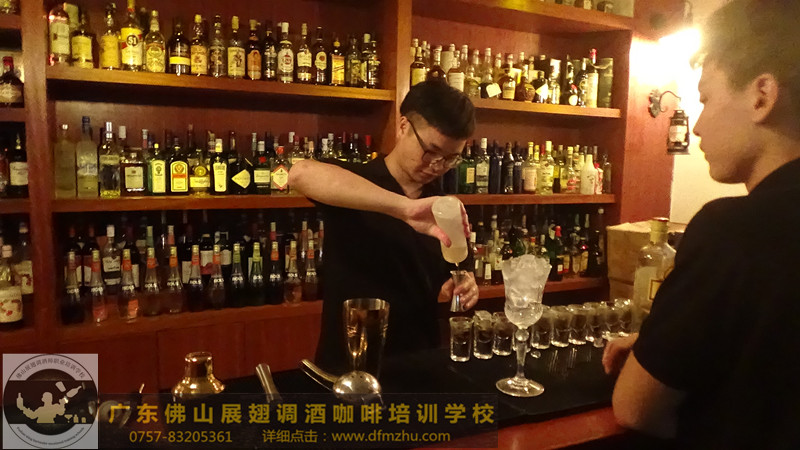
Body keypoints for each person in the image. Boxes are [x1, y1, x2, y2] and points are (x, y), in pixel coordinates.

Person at [603, 1, 800, 448]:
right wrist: (660, 348)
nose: (697, 127)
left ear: (762, 96)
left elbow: (634, 408)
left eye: (706, 99)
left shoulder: (732, 229)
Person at [289, 81, 479, 374]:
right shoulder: (356, 183)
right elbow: (300, 173)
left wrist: (465, 283)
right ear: (403, 126)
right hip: (348, 362)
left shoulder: (443, 205)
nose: (437, 165)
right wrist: (404, 208)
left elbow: (458, 268)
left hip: (418, 362)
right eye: (430, 151)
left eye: (451, 158)